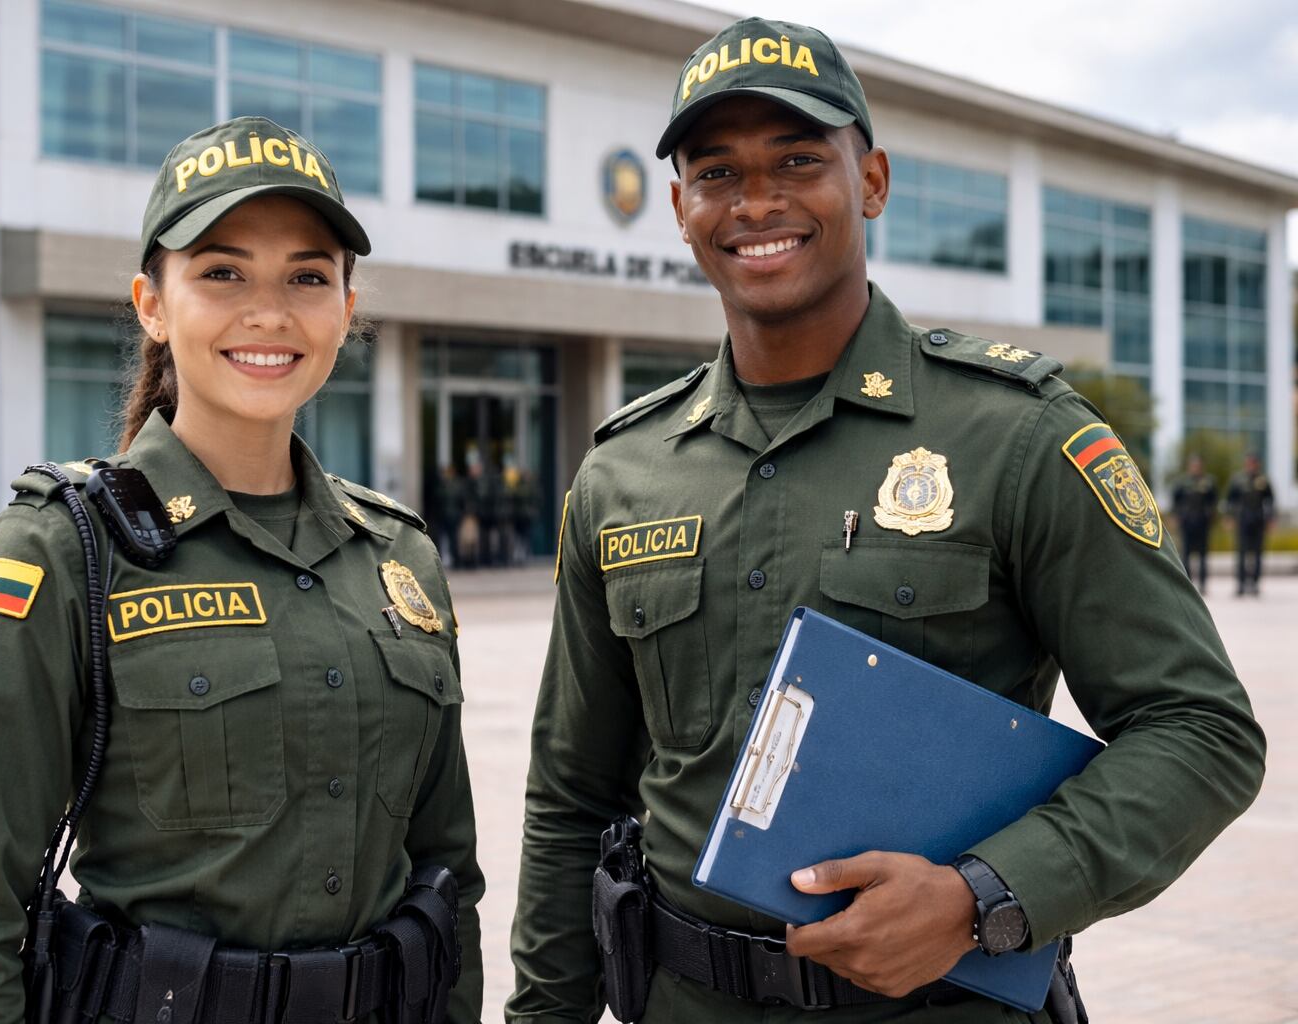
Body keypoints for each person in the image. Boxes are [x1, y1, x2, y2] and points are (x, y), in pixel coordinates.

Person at [508, 17, 1264, 1024]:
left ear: (872, 183)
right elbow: (570, 800)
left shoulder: (1017, 436)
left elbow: (1200, 729)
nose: (758, 201)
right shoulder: (624, 472)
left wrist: (983, 896)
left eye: (798, 160)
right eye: (718, 171)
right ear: (681, 208)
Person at [0, 117, 483, 1023]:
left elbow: (447, 880)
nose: (270, 312)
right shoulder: (61, 550)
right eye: (222, 272)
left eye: (308, 277)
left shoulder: (399, 557)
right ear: (151, 304)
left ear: (347, 311)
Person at [1225, 452, 1276, 596]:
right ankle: (1240, 584)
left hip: (1258, 521)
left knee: (1258, 553)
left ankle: (1255, 583)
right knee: (1241, 552)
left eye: (1253, 463)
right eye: (1249, 463)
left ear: (1257, 464)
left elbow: (1270, 500)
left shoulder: (1263, 480)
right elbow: (1230, 499)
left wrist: (1270, 518)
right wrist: (1229, 516)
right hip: (1242, 520)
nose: (1251, 466)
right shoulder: (1238, 480)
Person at [1171, 454, 1219, 593]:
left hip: (1202, 523)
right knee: (1185, 554)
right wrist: (1176, 517)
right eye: (1193, 465)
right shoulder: (1182, 482)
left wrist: (1211, 515)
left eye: (1198, 466)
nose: (1195, 468)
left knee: (1203, 555)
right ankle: (1188, 584)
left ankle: (1203, 584)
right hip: (1186, 522)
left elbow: (1213, 501)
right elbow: (1175, 501)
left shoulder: (1208, 482)